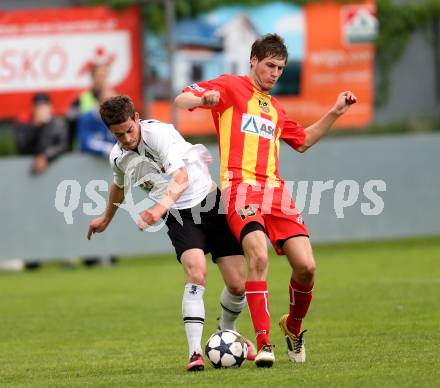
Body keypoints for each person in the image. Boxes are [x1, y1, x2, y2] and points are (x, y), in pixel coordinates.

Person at [174, 33, 357, 367]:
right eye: (270, 65)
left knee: (306, 266)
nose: (275, 73)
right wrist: (206, 99)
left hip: (276, 193)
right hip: (239, 189)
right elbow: (182, 100)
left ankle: (292, 327)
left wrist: (335, 112)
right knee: (257, 253)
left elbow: (302, 142)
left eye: (281, 68)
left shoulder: (275, 108)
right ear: (253, 61)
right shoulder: (230, 86)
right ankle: (263, 343)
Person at [86, 95, 255, 371]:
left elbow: (182, 178)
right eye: (119, 134)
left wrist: (157, 208)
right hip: (179, 215)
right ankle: (195, 353)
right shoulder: (118, 156)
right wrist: (106, 217)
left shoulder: (159, 134)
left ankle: (228, 332)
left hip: (211, 203)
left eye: (129, 130)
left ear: (137, 118)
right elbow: (119, 184)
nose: (127, 138)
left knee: (237, 284)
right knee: (196, 273)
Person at [14, 92, 69, 175]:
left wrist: (45, 156)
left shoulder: (59, 124)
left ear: (50, 107)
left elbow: (63, 145)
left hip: (57, 170)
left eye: (44, 106)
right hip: (30, 172)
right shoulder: (25, 125)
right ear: (33, 109)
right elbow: (23, 148)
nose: (42, 110)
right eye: (38, 107)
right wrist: (35, 127)